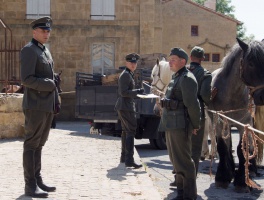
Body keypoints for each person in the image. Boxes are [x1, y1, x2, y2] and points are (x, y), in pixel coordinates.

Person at [20, 16, 60, 198]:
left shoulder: (45, 51)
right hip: (35, 105)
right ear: (34, 31)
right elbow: (26, 79)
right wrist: (49, 84)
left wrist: (56, 98)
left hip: (46, 106)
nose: (47, 33)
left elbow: (49, 78)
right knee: (31, 144)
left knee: (39, 145)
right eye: (43, 30)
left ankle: (38, 179)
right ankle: (30, 186)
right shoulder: (29, 50)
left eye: (48, 31)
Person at [161, 47, 200, 199]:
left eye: (173, 60)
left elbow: (192, 105)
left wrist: (196, 125)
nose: (170, 62)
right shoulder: (176, 77)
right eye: (169, 59)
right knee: (175, 160)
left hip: (180, 125)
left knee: (184, 161)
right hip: (171, 124)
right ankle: (181, 192)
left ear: (183, 61)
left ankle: (189, 195)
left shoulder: (187, 78)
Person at [115, 53, 144, 169]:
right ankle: (129, 160)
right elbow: (123, 92)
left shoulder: (129, 74)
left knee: (125, 131)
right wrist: (137, 91)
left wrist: (138, 93)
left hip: (125, 106)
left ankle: (124, 158)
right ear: (126, 63)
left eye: (135, 63)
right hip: (125, 106)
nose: (133, 64)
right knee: (130, 131)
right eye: (131, 62)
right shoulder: (126, 75)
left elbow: (128, 93)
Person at [188, 46, 213, 176]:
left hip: (179, 114)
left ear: (190, 57)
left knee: (181, 148)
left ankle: (178, 177)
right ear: (202, 59)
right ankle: (191, 179)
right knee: (195, 149)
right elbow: (204, 94)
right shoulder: (205, 74)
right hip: (197, 115)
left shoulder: (181, 72)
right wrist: (210, 101)